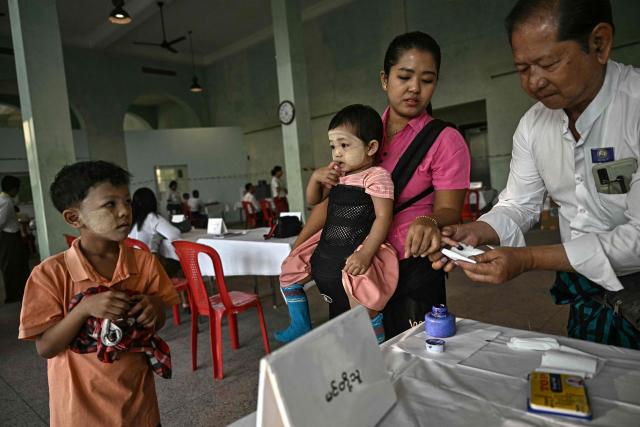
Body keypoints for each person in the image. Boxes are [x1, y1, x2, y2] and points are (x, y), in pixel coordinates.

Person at [430, 0, 640, 349]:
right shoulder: (533, 125)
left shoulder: (634, 108)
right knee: (599, 384)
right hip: (587, 290)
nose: (534, 82)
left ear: (599, 44)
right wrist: (476, 231)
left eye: (548, 63)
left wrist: (528, 259)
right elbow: (518, 205)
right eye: (522, 68)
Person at [284, 31, 471, 341]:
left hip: (410, 266)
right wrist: (300, 242)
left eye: (427, 79)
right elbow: (336, 201)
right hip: (354, 268)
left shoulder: (445, 140)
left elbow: (450, 210)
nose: (415, 88)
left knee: (410, 359)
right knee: (358, 358)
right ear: (385, 79)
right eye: (404, 76)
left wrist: (430, 220)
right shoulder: (360, 132)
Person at [18, 161, 179, 426]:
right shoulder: (50, 274)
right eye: (110, 205)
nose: (124, 212)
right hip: (81, 413)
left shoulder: (144, 263)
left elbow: (159, 318)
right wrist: (82, 309)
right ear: (74, 217)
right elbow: (46, 347)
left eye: (127, 202)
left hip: (139, 409)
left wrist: (154, 306)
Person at [276, 104, 398, 344]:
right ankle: (300, 324)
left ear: (371, 147)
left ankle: (378, 346)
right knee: (290, 271)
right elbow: (315, 200)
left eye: (344, 145)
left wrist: (366, 254)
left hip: (360, 244)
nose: (337, 153)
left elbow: (384, 218)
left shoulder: (376, 176)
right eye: (333, 146)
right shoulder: (337, 174)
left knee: (363, 302)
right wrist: (315, 179)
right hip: (329, 240)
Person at [129, 187, 182, 277]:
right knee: (179, 263)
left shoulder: (131, 220)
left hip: (133, 267)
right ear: (153, 202)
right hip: (149, 269)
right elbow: (174, 234)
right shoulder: (151, 217)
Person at [0, 175, 29, 303]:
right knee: (11, 266)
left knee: (15, 265)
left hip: (10, 235)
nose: (17, 192)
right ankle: (13, 295)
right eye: (17, 189)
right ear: (13, 189)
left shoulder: (5, 199)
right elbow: (1, 221)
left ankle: (18, 293)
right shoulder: (5, 202)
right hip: (9, 236)